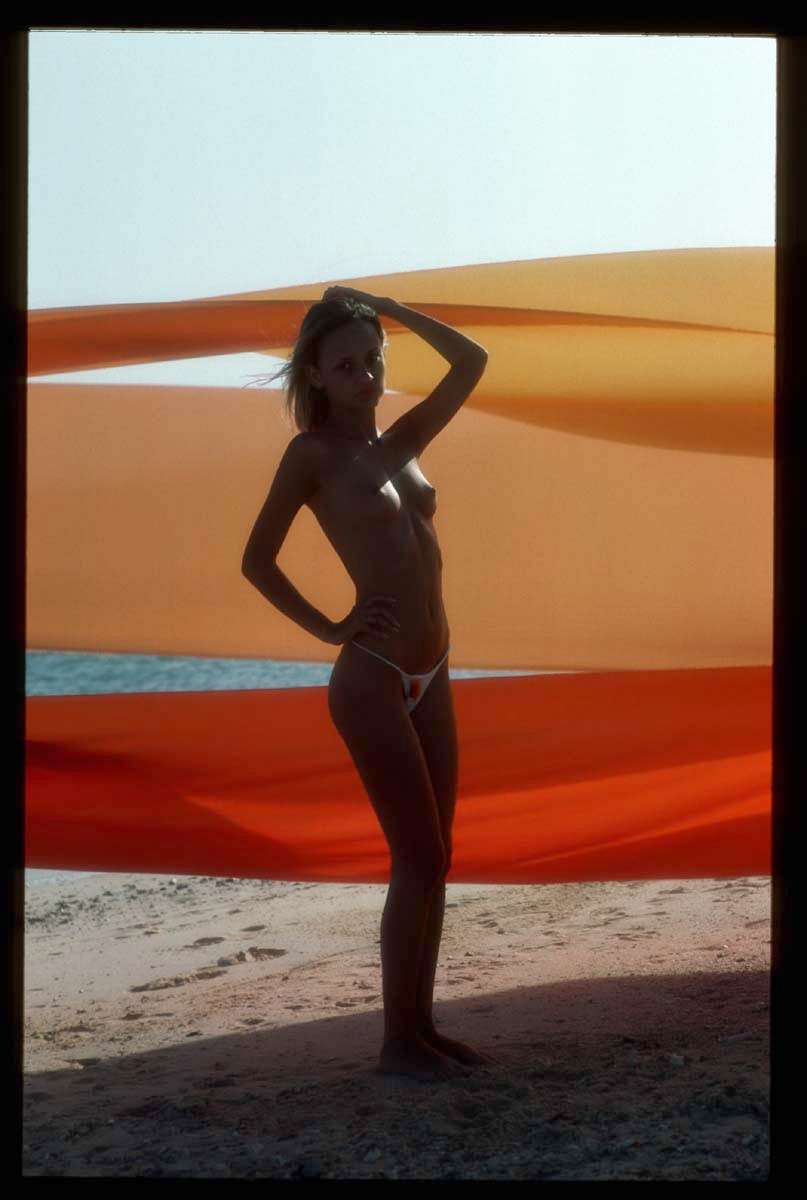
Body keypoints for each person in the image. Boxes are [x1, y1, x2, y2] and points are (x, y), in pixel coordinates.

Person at [241, 285, 493, 1082]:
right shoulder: (311, 455)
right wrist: (329, 627)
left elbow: (471, 360)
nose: (365, 374)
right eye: (345, 364)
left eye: (373, 359)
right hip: (372, 677)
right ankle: (396, 1043)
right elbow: (256, 561)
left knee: (437, 858)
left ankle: (422, 1027)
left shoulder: (404, 440)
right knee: (415, 855)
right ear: (315, 375)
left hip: (434, 668)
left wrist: (388, 306)